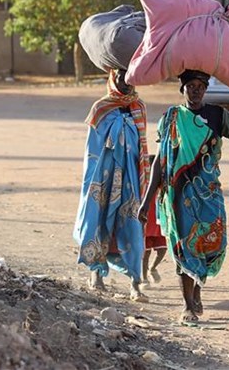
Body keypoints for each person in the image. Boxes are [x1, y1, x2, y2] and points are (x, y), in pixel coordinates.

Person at [137, 69, 229, 325]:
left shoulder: (217, 115)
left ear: (206, 89)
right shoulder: (171, 118)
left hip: (208, 194)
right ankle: (187, 307)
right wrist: (147, 199)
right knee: (183, 247)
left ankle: (196, 290)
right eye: (190, 86)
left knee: (209, 244)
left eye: (200, 86)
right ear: (181, 89)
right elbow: (161, 163)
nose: (195, 90)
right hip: (177, 197)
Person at [72, 69, 151, 302]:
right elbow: (91, 151)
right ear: (112, 77)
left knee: (133, 228)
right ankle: (96, 274)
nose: (125, 81)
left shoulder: (139, 108)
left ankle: (136, 284)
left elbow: (142, 148)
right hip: (103, 178)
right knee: (97, 222)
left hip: (131, 179)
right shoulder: (100, 109)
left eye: (129, 77)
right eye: (120, 76)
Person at [141, 154, 167, 288]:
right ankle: (144, 278)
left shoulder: (161, 186)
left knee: (162, 250)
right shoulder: (144, 185)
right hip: (146, 224)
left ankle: (153, 268)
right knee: (146, 252)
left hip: (158, 224)